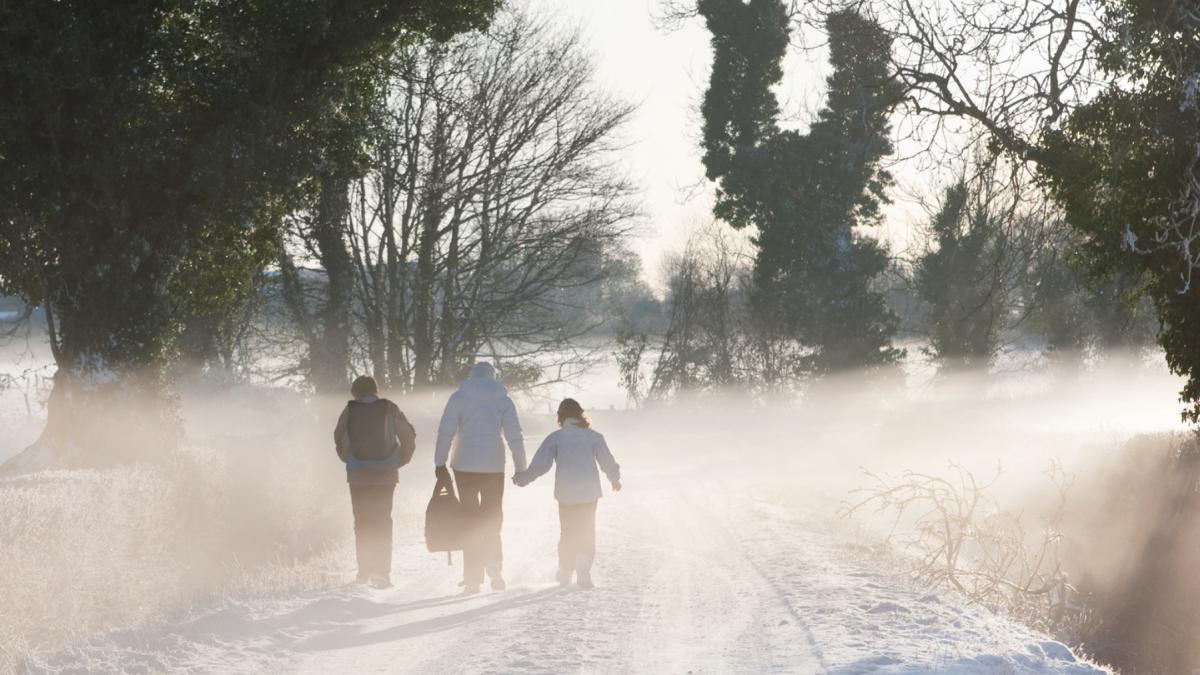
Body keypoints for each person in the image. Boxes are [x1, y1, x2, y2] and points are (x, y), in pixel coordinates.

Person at [434, 362, 527, 594]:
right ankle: (494, 563)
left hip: (464, 465)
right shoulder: (503, 401)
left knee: (469, 520)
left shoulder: (459, 397)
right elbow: (514, 436)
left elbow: (446, 431)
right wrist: (521, 468)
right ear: (493, 377)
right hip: (493, 465)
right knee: (492, 516)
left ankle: (473, 579)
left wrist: (439, 462)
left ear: (472, 377)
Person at [513, 398, 621, 590]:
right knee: (586, 530)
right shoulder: (594, 437)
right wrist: (614, 478)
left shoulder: (556, 438)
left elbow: (541, 464)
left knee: (568, 532)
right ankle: (583, 570)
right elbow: (607, 460)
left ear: (561, 416)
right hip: (589, 493)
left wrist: (524, 478)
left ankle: (565, 572)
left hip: (566, 493)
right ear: (580, 415)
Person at [334, 375, 416, 588]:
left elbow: (338, 437)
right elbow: (408, 434)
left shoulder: (349, 410)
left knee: (362, 521)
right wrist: (399, 461)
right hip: (386, 473)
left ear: (355, 392)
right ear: (375, 390)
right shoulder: (390, 408)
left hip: (358, 475)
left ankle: (364, 571)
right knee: (382, 521)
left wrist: (350, 460)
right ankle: (382, 573)